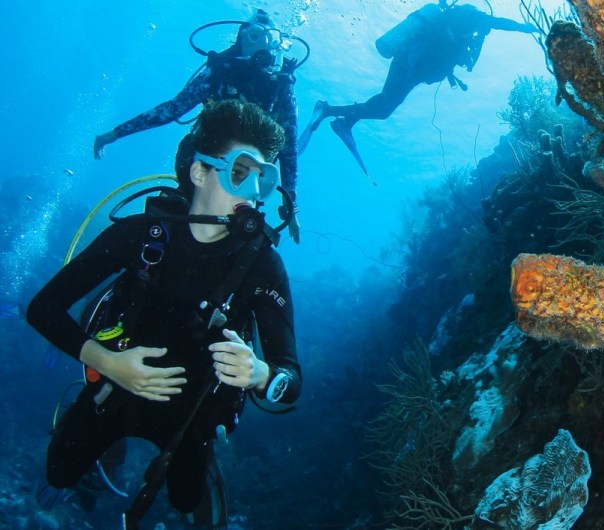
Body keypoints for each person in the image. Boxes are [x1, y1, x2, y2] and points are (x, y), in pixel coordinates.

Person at [28, 99, 301, 527]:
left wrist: (261, 375)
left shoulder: (262, 265)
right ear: (199, 171)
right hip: (112, 388)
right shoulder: (139, 235)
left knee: (185, 498)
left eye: (262, 180)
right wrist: (108, 364)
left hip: (190, 417)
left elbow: (291, 379)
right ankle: (102, 456)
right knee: (58, 472)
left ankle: (201, 467)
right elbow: (42, 309)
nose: (251, 194)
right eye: (240, 173)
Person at [93, 9, 303, 243]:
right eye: (255, 35)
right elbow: (173, 109)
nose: (264, 43)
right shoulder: (219, 71)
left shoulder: (282, 84)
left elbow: (289, 147)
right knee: (174, 217)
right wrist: (114, 134)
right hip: (202, 163)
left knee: (239, 233)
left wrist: (290, 205)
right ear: (241, 38)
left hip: (246, 174)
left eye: (271, 37)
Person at [297, 0, 539, 174]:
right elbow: (499, 22)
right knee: (384, 108)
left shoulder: (460, 23)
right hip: (410, 65)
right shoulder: (472, 17)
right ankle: (328, 110)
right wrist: (528, 27)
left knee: (384, 104)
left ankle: (345, 121)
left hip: (410, 66)